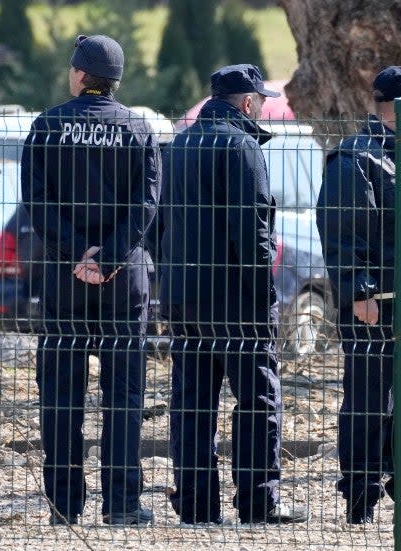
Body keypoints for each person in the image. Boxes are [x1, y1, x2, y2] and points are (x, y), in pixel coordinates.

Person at [160, 64, 308, 526]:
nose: (261, 107)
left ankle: (196, 504)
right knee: (258, 400)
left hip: (184, 297)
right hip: (237, 301)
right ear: (247, 102)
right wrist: (266, 291)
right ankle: (258, 501)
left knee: (192, 403)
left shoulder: (179, 145)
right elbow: (253, 232)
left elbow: (157, 223)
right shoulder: (242, 145)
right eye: (260, 100)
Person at [21, 34, 160, 526]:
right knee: (124, 397)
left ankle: (64, 505)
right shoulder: (137, 128)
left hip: (64, 281)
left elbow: (37, 205)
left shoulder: (47, 126)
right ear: (115, 80)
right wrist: (112, 256)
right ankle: (121, 505)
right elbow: (146, 205)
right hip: (124, 284)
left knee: (61, 396)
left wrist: (77, 253)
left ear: (79, 75)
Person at [317, 66, 401, 524]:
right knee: (369, 403)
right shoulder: (356, 157)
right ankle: (360, 498)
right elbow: (341, 233)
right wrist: (358, 292)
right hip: (374, 306)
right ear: (399, 106)